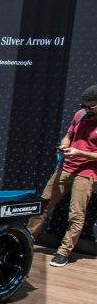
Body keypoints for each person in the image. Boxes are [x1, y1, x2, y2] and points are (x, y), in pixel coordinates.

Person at [28, 84, 97, 267]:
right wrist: (64, 145)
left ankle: (64, 252)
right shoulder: (79, 115)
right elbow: (69, 135)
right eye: (84, 106)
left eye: (91, 107)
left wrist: (80, 154)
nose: (86, 110)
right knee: (42, 205)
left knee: (76, 215)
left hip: (86, 173)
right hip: (65, 168)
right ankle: (27, 240)